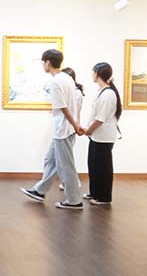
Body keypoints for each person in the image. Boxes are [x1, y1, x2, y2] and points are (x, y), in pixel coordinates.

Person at [21, 49, 84, 210]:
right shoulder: (66, 78)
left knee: (65, 166)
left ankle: (74, 200)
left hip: (63, 129)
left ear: (48, 62)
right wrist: (75, 124)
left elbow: (63, 107)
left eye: (43, 62)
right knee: (50, 160)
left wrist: (75, 125)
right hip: (63, 129)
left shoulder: (56, 82)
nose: (43, 65)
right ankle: (40, 191)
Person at [81, 63, 122, 205]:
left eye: (93, 72)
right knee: (93, 165)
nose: (92, 75)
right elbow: (95, 115)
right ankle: (94, 192)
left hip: (103, 137)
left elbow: (100, 119)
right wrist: (88, 129)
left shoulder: (108, 94)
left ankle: (104, 197)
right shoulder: (102, 91)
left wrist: (88, 130)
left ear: (98, 74)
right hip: (96, 136)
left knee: (103, 168)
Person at [58, 67, 84, 191]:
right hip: (66, 127)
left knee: (66, 159)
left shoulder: (76, 93)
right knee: (62, 159)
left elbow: (75, 111)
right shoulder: (70, 92)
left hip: (70, 128)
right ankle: (69, 182)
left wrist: (76, 126)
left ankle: (73, 183)